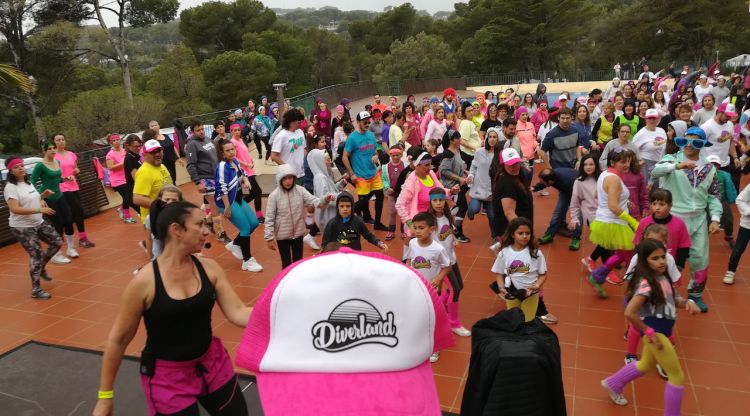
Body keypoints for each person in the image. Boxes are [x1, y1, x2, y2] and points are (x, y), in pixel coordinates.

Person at [92, 201, 253, 416]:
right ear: (176, 230)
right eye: (199, 224)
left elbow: (239, 312)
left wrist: (284, 312)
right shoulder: (144, 282)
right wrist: (105, 397)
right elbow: (118, 339)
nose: (206, 230)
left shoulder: (209, 268)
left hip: (211, 364)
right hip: (167, 378)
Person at [600, 240, 700, 413]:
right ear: (645, 261)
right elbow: (630, 312)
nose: (661, 261)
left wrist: (688, 303)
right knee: (677, 376)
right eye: (655, 258)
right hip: (657, 334)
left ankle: (613, 383)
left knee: (645, 364)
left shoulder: (663, 278)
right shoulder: (646, 284)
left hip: (660, 332)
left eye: (663, 257)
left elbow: (674, 300)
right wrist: (648, 331)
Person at [651, 126, 722, 312]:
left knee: (699, 258)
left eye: (695, 142)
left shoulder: (709, 168)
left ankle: (695, 295)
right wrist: (677, 166)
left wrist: (715, 218)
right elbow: (655, 171)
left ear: (703, 144)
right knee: (667, 258)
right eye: (685, 141)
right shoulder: (671, 159)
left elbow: (714, 196)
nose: (689, 145)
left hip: (698, 219)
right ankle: (660, 293)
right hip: (673, 219)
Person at [623, 224, 683, 372]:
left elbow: (673, 280)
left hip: (661, 302)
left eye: (659, 243)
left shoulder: (667, 259)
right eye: (650, 242)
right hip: (642, 301)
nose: (660, 260)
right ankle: (631, 354)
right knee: (637, 328)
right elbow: (629, 280)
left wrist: (679, 301)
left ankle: (661, 359)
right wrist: (632, 297)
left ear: (666, 243)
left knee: (664, 332)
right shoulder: (638, 259)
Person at [4, 156, 60, 299]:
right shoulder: (11, 187)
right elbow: (15, 209)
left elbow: (32, 200)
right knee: (36, 254)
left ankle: (40, 268)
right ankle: (36, 289)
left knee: (57, 242)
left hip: (38, 221)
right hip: (22, 227)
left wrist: (42, 197)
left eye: (22, 165)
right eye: (16, 167)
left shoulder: (28, 183)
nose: (21, 168)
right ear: (10, 170)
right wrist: (39, 210)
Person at [586, 149, 639, 299]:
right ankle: (634, 294)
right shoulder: (614, 179)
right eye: (623, 161)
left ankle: (596, 277)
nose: (627, 164)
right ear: (612, 162)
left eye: (628, 160)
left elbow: (598, 194)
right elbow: (613, 206)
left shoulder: (605, 174)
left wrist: (624, 200)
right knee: (631, 257)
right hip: (614, 223)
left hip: (607, 221)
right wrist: (633, 222)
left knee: (622, 255)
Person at [264, 164, 334, 269]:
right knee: (286, 263)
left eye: (290, 178)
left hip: (298, 233)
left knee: (298, 263)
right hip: (282, 235)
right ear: (279, 179)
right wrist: (269, 238)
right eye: (285, 178)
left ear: (294, 178)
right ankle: (287, 282)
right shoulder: (274, 196)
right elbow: (269, 217)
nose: (288, 181)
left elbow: (315, 201)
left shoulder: (300, 190)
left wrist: (325, 199)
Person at [404, 211, 451, 363]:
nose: (417, 231)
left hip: (432, 290)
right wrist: (407, 271)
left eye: (421, 228)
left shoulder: (438, 249)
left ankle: (434, 348)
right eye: (415, 228)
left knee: (432, 318)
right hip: (416, 287)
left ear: (431, 229)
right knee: (417, 315)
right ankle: (416, 343)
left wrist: (438, 278)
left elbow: (447, 266)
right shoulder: (412, 243)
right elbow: (410, 259)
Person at [426, 188, 471, 337]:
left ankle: (439, 306)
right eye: (435, 200)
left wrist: (455, 240)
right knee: (455, 290)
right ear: (430, 202)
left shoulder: (447, 216)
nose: (438, 203)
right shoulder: (429, 221)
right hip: (441, 264)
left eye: (441, 200)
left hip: (451, 258)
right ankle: (454, 323)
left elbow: (449, 231)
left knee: (460, 286)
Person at [214, 138, 262, 273]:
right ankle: (247, 261)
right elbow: (221, 187)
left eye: (232, 149)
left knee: (254, 223)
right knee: (245, 228)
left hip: (238, 198)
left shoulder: (235, 161)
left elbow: (243, 174)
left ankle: (235, 244)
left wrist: (246, 181)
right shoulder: (222, 166)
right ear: (222, 153)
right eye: (227, 150)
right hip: (228, 202)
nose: (231, 152)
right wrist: (227, 207)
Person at [492, 217, 547, 322]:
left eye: (528, 233)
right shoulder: (504, 253)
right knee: (514, 321)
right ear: (513, 234)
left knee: (528, 322)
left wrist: (537, 285)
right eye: (520, 233)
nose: (525, 236)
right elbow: (499, 273)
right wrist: (501, 287)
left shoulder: (536, 253)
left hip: (530, 294)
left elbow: (543, 274)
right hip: (512, 293)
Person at [343, 111, 388, 231]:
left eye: (369, 121)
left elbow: (375, 151)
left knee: (380, 196)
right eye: (364, 122)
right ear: (358, 122)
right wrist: (351, 174)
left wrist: (376, 157)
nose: (367, 124)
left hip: (373, 173)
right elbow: (344, 157)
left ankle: (377, 223)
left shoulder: (370, 135)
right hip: (361, 175)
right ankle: (346, 214)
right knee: (363, 202)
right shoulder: (352, 138)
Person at [185, 122, 229, 244]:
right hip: (205, 178)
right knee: (214, 204)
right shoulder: (192, 144)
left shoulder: (208, 139)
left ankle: (207, 221)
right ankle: (221, 233)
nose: (201, 132)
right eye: (198, 130)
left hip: (215, 176)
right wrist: (198, 182)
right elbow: (190, 165)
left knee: (220, 203)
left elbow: (216, 156)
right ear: (192, 132)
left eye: (202, 129)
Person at [32, 140, 74, 264]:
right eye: (49, 148)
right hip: (48, 197)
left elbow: (56, 178)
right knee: (58, 223)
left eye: (53, 148)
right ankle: (56, 253)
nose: (52, 150)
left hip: (59, 195)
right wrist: (40, 198)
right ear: (44, 151)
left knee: (68, 220)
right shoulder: (40, 165)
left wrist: (66, 178)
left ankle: (71, 248)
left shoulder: (57, 161)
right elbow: (32, 183)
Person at [133, 140, 174, 258]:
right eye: (153, 152)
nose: (157, 154)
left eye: (159, 150)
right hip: (156, 220)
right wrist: (162, 205)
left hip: (168, 216)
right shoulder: (144, 172)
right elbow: (137, 198)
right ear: (145, 155)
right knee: (160, 256)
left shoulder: (161, 166)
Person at [54, 133, 94, 248]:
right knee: (79, 210)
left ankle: (65, 234)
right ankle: (82, 238)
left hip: (74, 185)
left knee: (72, 213)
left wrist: (76, 170)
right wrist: (64, 178)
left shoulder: (71, 154)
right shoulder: (54, 157)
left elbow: (75, 167)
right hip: (62, 187)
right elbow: (53, 173)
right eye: (58, 140)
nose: (61, 141)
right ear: (54, 143)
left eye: (63, 139)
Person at [322, 191, 387, 252]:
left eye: (348, 206)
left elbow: (368, 235)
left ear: (352, 207)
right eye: (342, 206)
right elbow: (325, 243)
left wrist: (378, 243)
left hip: (355, 255)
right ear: (337, 207)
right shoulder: (332, 223)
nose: (345, 209)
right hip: (339, 257)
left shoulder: (358, 221)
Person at [535, 166, 581, 250]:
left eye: (544, 182)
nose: (542, 183)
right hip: (565, 190)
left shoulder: (566, 181)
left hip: (578, 191)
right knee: (558, 213)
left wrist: (573, 208)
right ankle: (549, 234)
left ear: (550, 181)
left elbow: (575, 196)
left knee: (577, 216)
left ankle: (576, 238)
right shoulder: (551, 177)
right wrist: (535, 188)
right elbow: (543, 182)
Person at [492, 148, 533, 240]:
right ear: (503, 165)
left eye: (516, 162)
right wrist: (523, 234)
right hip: (512, 233)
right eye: (511, 164)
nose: (515, 167)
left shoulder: (518, 175)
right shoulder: (507, 184)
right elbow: (510, 213)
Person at [467, 127, 499, 241]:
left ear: (498, 139)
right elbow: (473, 166)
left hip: (492, 191)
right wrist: (471, 175)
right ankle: (470, 212)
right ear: (486, 139)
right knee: (474, 209)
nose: (492, 139)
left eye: (495, 137)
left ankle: (495, 236)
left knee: (492, 216)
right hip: (478, 188)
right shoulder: (479, 152)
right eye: (490, 137)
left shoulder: (500, 154)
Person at [440, 130, 471, 242]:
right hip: (451, 186)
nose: (460, 140)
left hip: (458, 185)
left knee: (459, 208)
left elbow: (456, 167)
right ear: (451, 140)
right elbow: (444, 170)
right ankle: (456, 232)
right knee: (461, 207)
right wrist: (459, 178)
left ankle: (453, 230)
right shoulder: (448, 153)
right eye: (457, 138)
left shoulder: (456, 150)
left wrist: (464, 172)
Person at [570, 155, 601, 267]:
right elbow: (574, 202)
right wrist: (574, 218)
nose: (588, 167)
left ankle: (609, 260)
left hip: (606, 214)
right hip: (591, 216)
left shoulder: (602, 178)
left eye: (591, 164)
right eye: (585, 164)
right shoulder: (579, 182)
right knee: (604, 241)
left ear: (596, 165)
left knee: (607, 241)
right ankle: (600, 262)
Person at [309, 148, 348, 235]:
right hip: (327, 216)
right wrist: (341, 195)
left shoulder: (325, 174)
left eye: (330, 159)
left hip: (331, 215)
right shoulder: (320, 177)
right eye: (327, 160)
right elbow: (326, 197)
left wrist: (341, 183)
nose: (330, 162)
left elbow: (332, 189)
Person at [105, 134, 138, 224]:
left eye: (117, 139)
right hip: (117, 181)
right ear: (111, 143)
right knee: (128, 197)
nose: (116, 142)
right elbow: (110, 167)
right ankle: (127, 216)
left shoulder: (124, 151)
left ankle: (122, 209)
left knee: (127, 197)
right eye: (114, 140)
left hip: (126, 178)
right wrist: (123, 163)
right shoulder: (110, 155)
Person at [724, 179, 750, 285]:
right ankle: (731, 271)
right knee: (738, 249)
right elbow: (739, 199)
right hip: (747, 224)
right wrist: (748, 212)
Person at [632, 109, 668, 183]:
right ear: (646, 119)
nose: (652, 120)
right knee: (647, 187)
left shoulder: (661, 131)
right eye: (649, 118)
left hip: (660, 162)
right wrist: (638, 162)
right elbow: (632, 149)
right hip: (647, 164)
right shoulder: (641, 134)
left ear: (658, 119)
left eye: (654, 118)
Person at [270, 108, 307, 182]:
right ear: (291, 121)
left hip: (302, 173)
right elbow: (273, 156)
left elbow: (304, 149)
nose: (300, 121)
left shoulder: (300, 132)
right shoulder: (281, 136)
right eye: (298, 120)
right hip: (288, 176)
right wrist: (287, 169)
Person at [382, 145, 408, 241]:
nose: (395, 157)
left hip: (403, 194)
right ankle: (391, 231)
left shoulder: (405, 166)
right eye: (393, 155)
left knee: (403, 212)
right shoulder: (385, 167)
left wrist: (405, 188)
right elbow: (384, 179)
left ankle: (404, 230)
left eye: (397, 155)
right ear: (390, 155)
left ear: (401, 155)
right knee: (392, 212)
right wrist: (387, 187)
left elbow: (408, 178)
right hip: (391, 193)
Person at [458, 102, 481, 169]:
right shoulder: (466, 123)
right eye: (468, 111)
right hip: (468, 156)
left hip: (472, 154)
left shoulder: (470, 122)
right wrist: (475, 148)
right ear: (464, 113)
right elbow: (461, 141)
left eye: (472, 110)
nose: (471, 112)